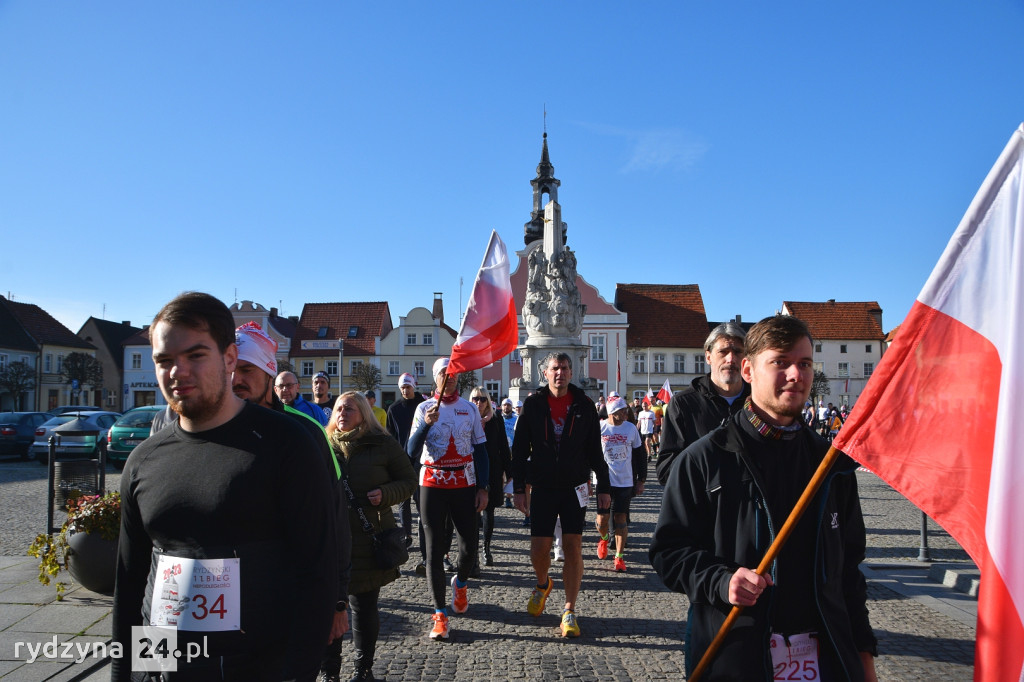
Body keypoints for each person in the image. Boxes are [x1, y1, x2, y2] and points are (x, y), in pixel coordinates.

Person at [112, 292, 338, 681]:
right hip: (165, 664)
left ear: (229, 358)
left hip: (256, 666)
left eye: (195, 355)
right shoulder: (143, 459)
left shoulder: (287, 443)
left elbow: (317, 572)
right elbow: (130, 584)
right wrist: (126, 673)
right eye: (164, 360)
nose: (177, 371)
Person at [649, 315, 877, 681]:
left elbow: (849, 571)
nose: (795, 375)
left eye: (804, 363)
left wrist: (863, 656)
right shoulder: (703, 459)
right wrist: (721, 581)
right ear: (749, 370)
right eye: (780, 362)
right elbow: (669, 552)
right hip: (738, 654)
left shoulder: (831, 465)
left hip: (825, 657)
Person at [231, 322, 352, 682]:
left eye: (247, 369)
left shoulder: (306, 433)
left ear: (269, 373)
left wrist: (338, 600)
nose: (236, 378)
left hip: (285, 605)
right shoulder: (191, 433)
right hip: (210, 621)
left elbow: (334, 519)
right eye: (230, 367)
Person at [511, 352, 610, 638]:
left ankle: (569, 610)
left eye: (565, 368)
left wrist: (603, 487)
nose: (560, 373)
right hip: (542, 486)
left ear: (572, 372)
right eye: (555, 368)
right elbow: (519, 452)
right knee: (539, 550)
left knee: (573, 546)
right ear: (545, 373)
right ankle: (543, 584)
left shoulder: (584, 405)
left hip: (574, 486)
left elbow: (595, 451)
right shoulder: (533, 405)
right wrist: (519, 489)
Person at [328, 391, 416, 682]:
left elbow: (408, 481)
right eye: (339, 408)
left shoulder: (383, 444)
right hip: (331, 541)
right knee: (329, 609)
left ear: (364, 414)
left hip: (369, 537)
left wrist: (386, 494)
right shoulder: (323, 444)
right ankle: (330, 672)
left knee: (363, 607)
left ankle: (362, 669)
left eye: (349, 408)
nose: (342, 413)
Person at [406, 357, 489, 640]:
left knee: (469, 545)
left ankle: (461, 583)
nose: (449, 377)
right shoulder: (423, 408)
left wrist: (484, 486)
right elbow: (411, 450)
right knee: (433, 549)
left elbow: (480, 450)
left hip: (463, 481)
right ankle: (440, 614)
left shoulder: (469, 409)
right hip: (432, 481)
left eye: (453, 373)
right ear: (435, 379)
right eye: (444, 373)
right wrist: (425, 425)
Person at [656, 322, 752, 485]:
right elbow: (666, 470)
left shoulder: (760, 401)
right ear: (708, 357)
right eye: (723, 352)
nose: (731, 359)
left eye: (737, 351)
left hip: (750, 507)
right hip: (704, 505)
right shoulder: (683, 404)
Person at [594, 397, 646, 572]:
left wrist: (641, 480)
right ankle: (603, 537)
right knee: (602, 520)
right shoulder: (600, 428)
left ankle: (619, 557)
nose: (626, 413)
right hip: (604, 481)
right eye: (622, 411)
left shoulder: (631, 428)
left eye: (626, 410)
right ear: (612, 412)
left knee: (620, 519)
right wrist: (586, 478)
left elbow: (640, 456)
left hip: (625, 481)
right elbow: (589, 455)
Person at [470, 386, 512, 569]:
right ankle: (472, 552)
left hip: (492, 471)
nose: (478, 402)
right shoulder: (466, 418)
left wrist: (509, 473)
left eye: (482, 399)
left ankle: (486, 549)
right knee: (471, 514)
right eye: (475, 399)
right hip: (470, 471)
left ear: (488, 401)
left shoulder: (496, 421)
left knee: (489, 512)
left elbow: (503, 447)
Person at [386, 373, 426, 558]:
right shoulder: (393, 409)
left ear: (414, 386)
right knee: (403, 500)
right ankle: (407, 534)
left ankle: (424, 529)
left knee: (420, 498)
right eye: (402, 387)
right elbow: (391, 436)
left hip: (420, 458)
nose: (405, 390)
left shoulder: (423, 404)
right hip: (402, 459)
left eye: (408, 387)